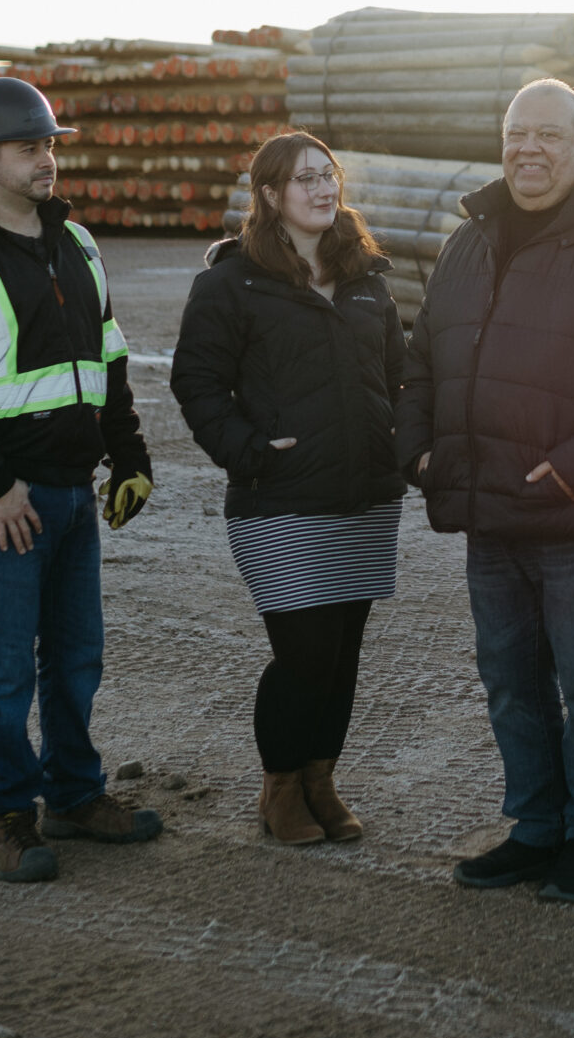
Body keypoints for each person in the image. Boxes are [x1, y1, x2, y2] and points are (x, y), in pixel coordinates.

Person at [398, 78, 574, 902]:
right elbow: (423, 357)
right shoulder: (471, 239)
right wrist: (417, 451)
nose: (528, 148)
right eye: (515, 132)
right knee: (511, 682)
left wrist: (568, 470)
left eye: (549, 134)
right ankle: (534, 827)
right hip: (490, 513)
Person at [0, 74, 164, 884]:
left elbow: (109, 359)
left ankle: (75, 794)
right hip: (3, 502)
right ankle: (7, 816)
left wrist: (129, 455)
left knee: (78, 656)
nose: (46, 160)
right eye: (28, 148)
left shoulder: (78, 244)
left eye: (50, 144)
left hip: (73, 490)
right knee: (8, 667)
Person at [171, 132, 406, 848]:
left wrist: (398, 442)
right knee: (304, 654)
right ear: (269, 195)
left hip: (364, 492)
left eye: (328, 175)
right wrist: (246, 450)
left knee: (343, 654)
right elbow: (197, 383)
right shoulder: (231, 282)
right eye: (303, 178)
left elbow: (398, 371)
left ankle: (321, 779)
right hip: (280, 497)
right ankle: (280, 787)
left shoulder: (365, 276)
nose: (321, 188)